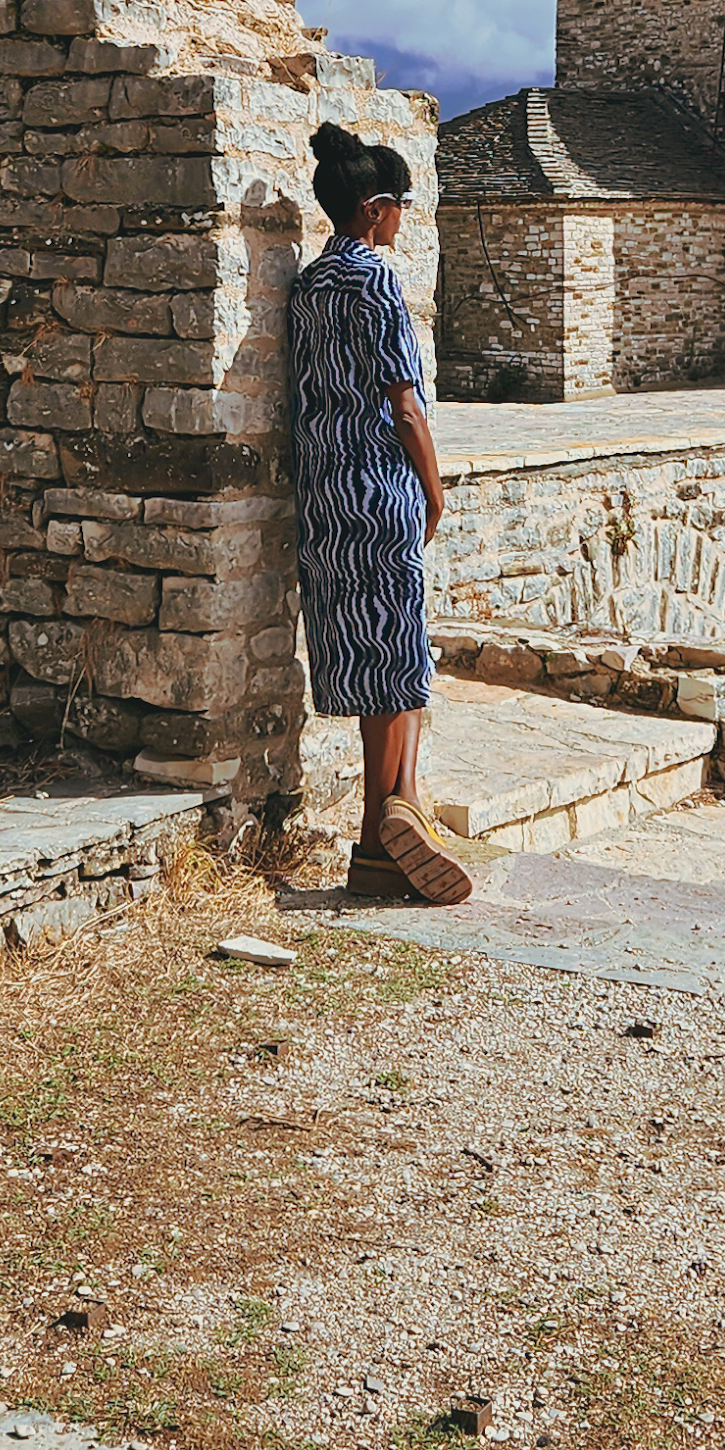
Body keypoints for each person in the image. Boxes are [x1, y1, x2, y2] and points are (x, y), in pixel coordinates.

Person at [288, 122, 470, 905]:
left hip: (323, 493)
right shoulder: (375, 282)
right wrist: (432, 488)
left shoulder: (308, 285)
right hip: (378, 486)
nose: (404, 221)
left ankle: (401, 816)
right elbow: (404, 401)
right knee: (400, 657)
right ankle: (380, 829)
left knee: (371, 657)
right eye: (399, 206)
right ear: (374, 209)